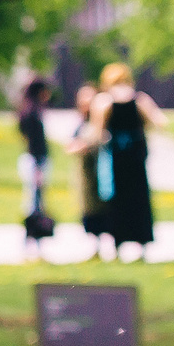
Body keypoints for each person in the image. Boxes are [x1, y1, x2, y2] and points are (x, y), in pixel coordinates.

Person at [87, 62, 166, 262]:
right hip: (137, 159)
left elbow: (97, 133)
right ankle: (142, 246)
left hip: (116, 160)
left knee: (117, 203)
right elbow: (160, 122)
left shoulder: (104, 102)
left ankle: (117, 245)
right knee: (139, 200)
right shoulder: (139, 100)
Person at [68, 83, 109, 258]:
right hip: (86, 176)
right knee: (90, 210)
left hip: (103, 174)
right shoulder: (80, 124)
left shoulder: (102, 121)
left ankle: (109, 244)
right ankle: (95, 246)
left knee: (105, 209)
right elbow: (70, 145)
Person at [16, 79, 55, 260]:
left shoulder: (29, 111)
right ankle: (33, 243)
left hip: (35, 161)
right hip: (36, 162)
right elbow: (34, 143)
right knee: (35, 204)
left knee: (35, 202)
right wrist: (38, 166)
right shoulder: (32, 113)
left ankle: (33, 244)